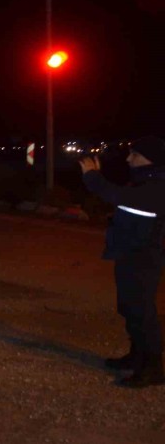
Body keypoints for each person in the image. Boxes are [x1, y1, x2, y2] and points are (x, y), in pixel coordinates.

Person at [79, 135, 165, 388]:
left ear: (149, 160)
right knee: (129, 307)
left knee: (141, 311)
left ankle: (153, 367)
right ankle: (137, 356)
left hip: (144, 256)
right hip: (130, 253)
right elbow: (123, 199)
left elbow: (117, 196)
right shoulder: (143, 182)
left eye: (134, 155)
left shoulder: (158, 187)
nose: (128, 159)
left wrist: (92, 177)